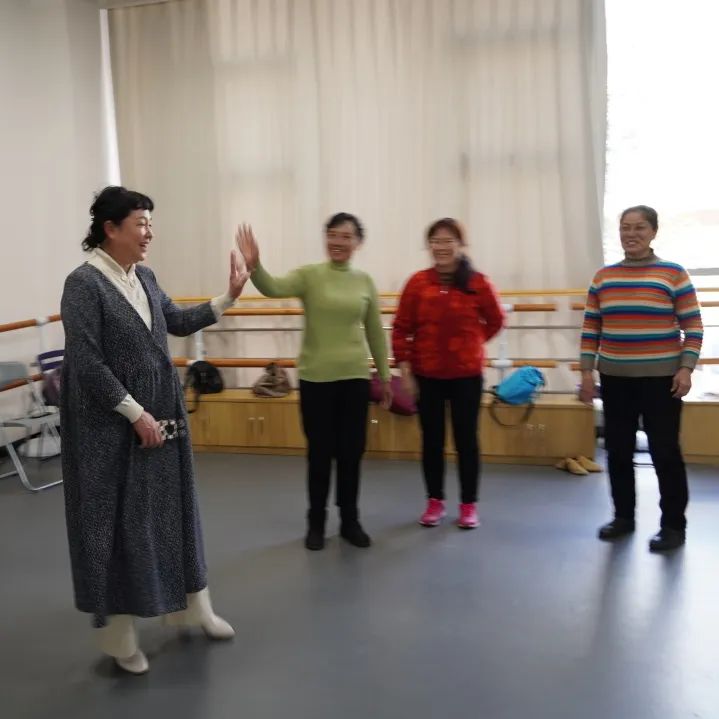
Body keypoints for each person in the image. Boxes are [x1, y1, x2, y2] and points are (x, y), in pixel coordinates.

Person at [61, 186, 250, 674]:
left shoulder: (143, 276)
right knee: (119, 529)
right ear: (111, 228)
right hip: (109, 430)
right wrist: (135, 413)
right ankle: (120, 641)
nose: (149, 233)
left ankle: (193, 609)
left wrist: (229, 296)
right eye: (141, 223)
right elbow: (87, 362)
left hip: (162, 414)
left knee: (174, 512)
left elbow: (177, 321)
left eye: (149, 223)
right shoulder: (84, 284)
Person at [236, 215, 392, 551]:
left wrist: (384, 375)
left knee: (351, 453)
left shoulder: (364, 281)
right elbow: (273, 288)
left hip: (354, 378)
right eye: (332, 235)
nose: (338, 242)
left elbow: (375, 332)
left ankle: (350, 521)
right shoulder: (310, 275)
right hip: (316, 379)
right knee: (320, 453)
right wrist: (255, 265)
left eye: (346, 236)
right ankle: (316, 522)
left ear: (358, 242)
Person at [579, 205, 703, 552]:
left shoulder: (673, 274)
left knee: (665, 453)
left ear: (653, 232)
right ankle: (623, 517)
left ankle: (673, 526)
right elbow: (591, 329)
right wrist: (586, 372)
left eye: (639, 227)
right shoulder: (603, 278)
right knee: (617, 451)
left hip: (662, 380)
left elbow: (693, 326)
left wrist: (686, 368)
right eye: (625, 227)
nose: (631, 234)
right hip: (615, 378)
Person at [392, 218, 505, 529]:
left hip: (466, 376)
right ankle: (435, 501)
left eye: (448, 241)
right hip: (426, 375)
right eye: (435, 241)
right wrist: (405, 369)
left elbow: (496, 320)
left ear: (460, 244)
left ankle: (468, 505)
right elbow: (401, 328)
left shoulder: (478, 282)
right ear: (429, 246)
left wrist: (472, 342)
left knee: (466, 441)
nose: (441, 247)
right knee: (432, 440)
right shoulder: (417, 283)